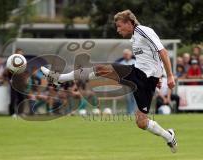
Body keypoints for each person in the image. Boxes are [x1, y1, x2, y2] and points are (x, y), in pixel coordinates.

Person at [40, 9, 177, 153]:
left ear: (129, 23)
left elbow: (163, 52)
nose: (118, 30)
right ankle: (169, 136)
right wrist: (158, 76)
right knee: (101, 69)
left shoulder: (143, 31)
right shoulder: (135, 37)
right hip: (140, 75)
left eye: (119, 26)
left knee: (141, 122)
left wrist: (169, 76)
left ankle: (59, 79)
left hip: (144, 77)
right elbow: (153, 57)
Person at [117, 49, 137, 114]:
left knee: (134, 98)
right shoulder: (121, 63)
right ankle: (129, 112)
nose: (126, 56)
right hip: (126, 83)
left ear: (131, 55)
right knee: (128, 98)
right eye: (125, 54)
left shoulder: (135, 62)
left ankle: (133, 111)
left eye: (127, 54)